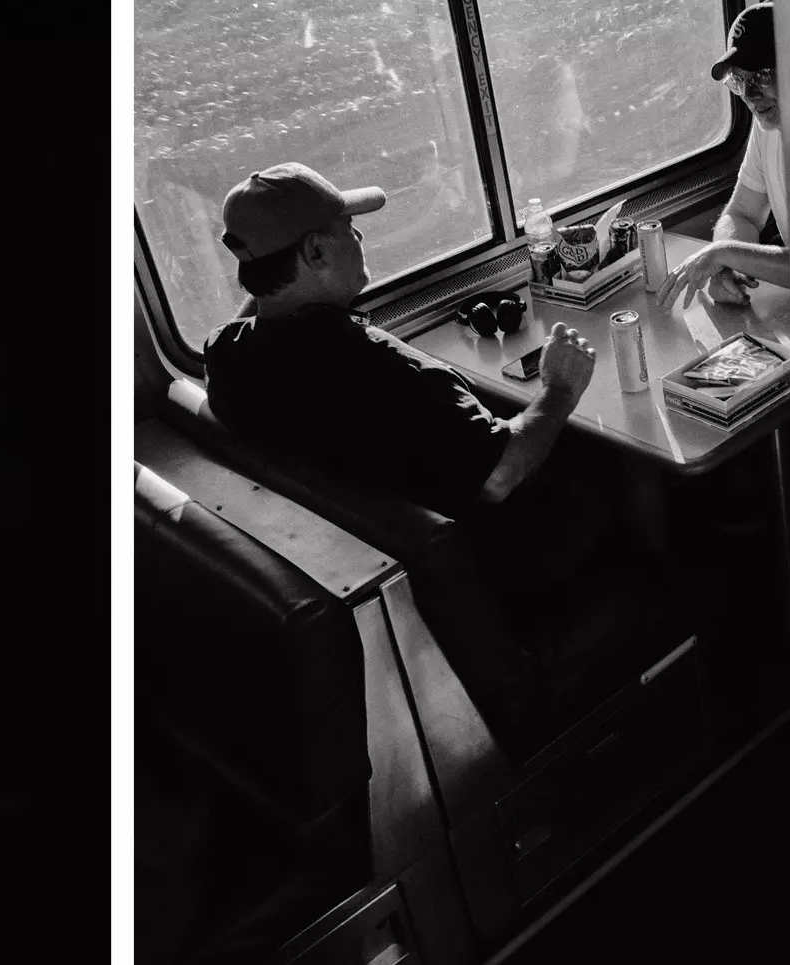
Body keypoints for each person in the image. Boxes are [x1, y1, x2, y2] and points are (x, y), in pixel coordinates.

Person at [200, 162, 650, 759]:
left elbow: (256, 319)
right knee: (619, 454)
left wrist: (268, 278)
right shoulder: (385, 371)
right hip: (509, 558)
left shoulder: (227, 361)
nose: (360, 239)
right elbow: (500, 475)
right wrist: (561, 388)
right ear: (313, 252)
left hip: (397, 542)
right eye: (347, 228)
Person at [655, 1, 790, 309]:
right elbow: (741, 214)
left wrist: (723, 254)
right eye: (739, 80)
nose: (749, 95)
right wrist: (729, 266)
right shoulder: (767, 128)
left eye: (760, 77)